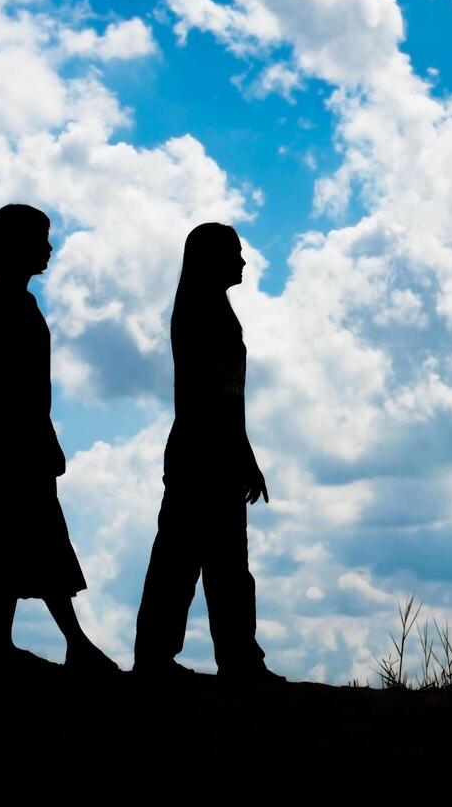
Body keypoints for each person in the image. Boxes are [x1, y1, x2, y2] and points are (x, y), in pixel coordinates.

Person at [0, 204, 118, 676]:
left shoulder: (12, 298)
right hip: (14, 431)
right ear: (17, 245)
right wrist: (44, 437)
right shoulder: (9, 300)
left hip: (11, 428)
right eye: (41, 238)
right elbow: (14, 382)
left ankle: (8, 647)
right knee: (34, 533)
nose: (49, 247)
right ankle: (71, 644)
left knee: (13, 534)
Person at [133, 222, 284, 682]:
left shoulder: (215, 310)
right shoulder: (202, 313)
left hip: (214, 451)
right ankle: (163, 658)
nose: (242, 261)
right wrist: (239, 454)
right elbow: (210, 398)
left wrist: (246, 456)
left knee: (224, 564)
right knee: (185, 562)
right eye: (234, 253)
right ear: (211, 259)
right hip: (202, 453)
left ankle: (235, 657)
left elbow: (229, 398)